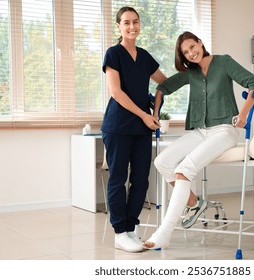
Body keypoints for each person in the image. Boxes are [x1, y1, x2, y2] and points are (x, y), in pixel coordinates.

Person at [143, 31, 254, 250]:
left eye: (192, 47)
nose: (191, 53)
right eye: (186, 52)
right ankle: (195, 203)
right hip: (200, 131)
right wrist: (156, 113)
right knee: (162, 162)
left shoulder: (224, 62)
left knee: (184, 170)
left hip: (225, 130)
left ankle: (164, 232)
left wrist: (244, 114)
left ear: (200, 42)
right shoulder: (191, 73)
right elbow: (162, 88)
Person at [101, 6, 165, 253]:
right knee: (118, 179)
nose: (132, 27)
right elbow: (116, 92)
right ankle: (119, 232)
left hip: (142, 127)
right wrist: (144, 115)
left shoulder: (145, 56)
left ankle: (132, 228)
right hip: (118, 126)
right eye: (126, 22)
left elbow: (164, 84)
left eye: (135, 22)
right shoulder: (113, 53)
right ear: (118, 26)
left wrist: (156, 110)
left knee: (141, 179)